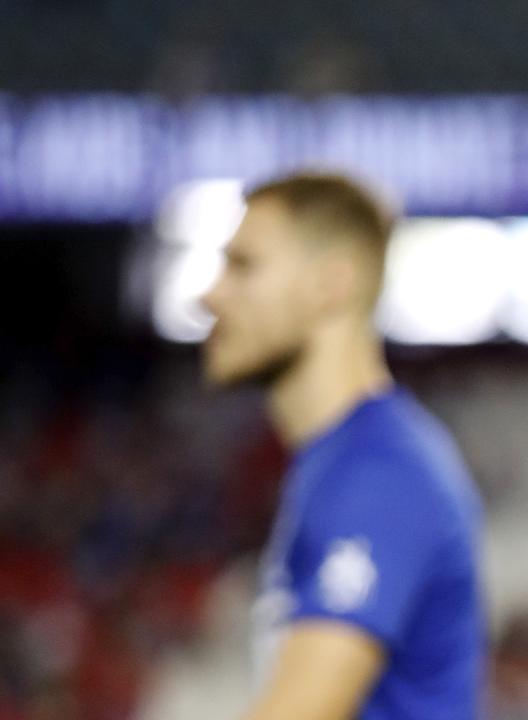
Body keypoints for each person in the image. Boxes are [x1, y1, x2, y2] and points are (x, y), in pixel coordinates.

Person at [200, 173, 484, 720]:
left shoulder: (380, 472)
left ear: (332, 285)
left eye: (243, 265)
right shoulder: (338, 461)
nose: (211, 295)